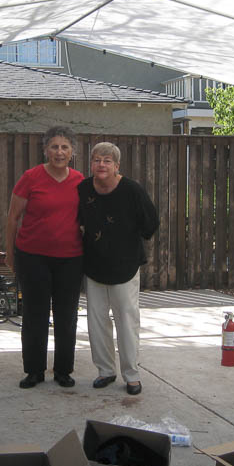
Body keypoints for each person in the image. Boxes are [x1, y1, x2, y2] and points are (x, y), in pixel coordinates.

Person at [4, 126, 84, 389]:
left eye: (64, 147)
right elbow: (13, 217)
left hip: (70, 259)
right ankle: (34, 371)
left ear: (72, 152)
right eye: (54, 146)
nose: (59, 152)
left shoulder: (80, 181)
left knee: (66, 315)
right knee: (35, 314)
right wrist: (9, 253)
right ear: (45, 150)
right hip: (33, 257)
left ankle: (63, 370)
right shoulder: (31, 177)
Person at [78, 142, 159, 395]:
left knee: (126, 320)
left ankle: (132, 375)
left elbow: (150, 223)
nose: (101, 165)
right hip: (94, 264)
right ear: (90, 164)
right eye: (96, 160)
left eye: (107, 161)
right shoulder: (82, 189)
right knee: (97, 321)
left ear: (116, 165)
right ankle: (105, 371)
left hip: (125, 266)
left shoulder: (131, 190)